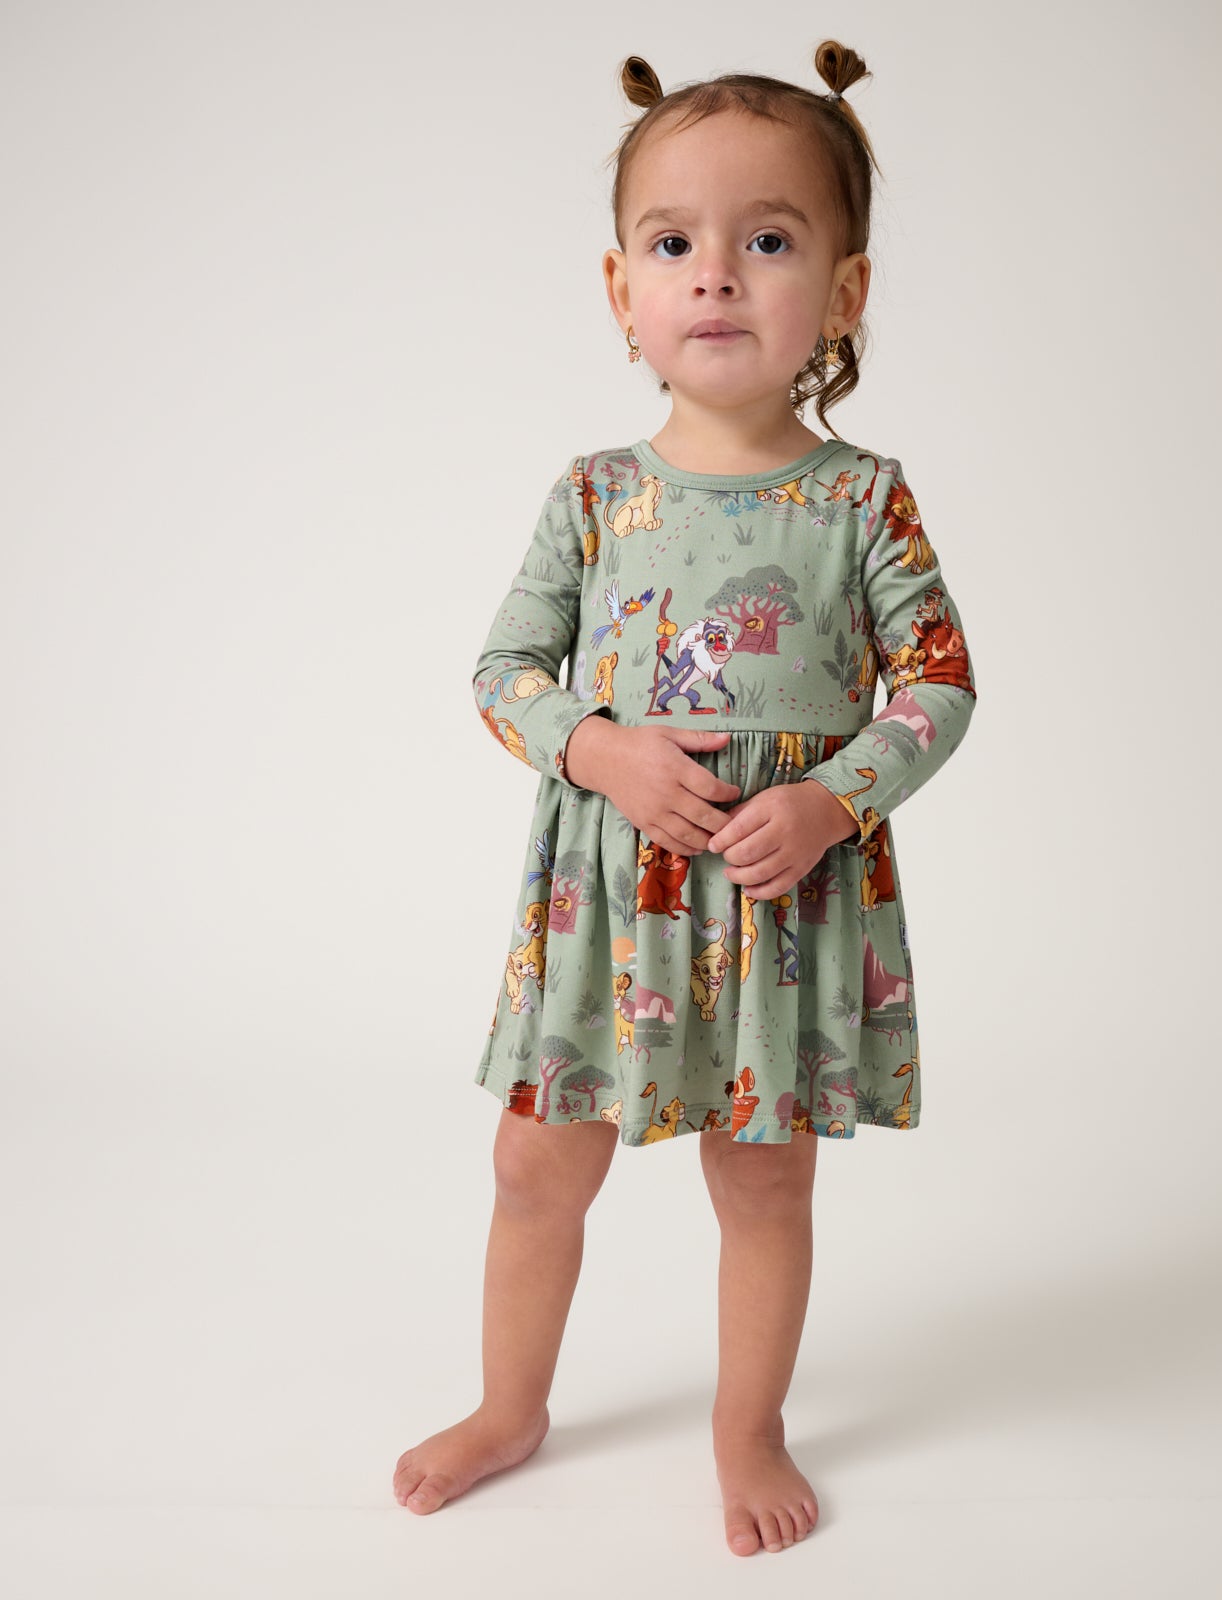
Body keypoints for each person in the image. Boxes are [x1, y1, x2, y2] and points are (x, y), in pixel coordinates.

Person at [394, 39, 978, 1557]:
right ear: (621, 290)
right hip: (611, 904)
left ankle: (748, 1427)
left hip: (779, 903)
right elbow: (503, 668)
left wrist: (837, 798)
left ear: (843, 293)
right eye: (673, 244)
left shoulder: (860, 500)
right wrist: (595, 747)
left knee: (764, 1183)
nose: (714, 274)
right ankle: (509, 1405)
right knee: (534, 1164)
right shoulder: (595, 495)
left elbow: (938, 685)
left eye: (768, 240)